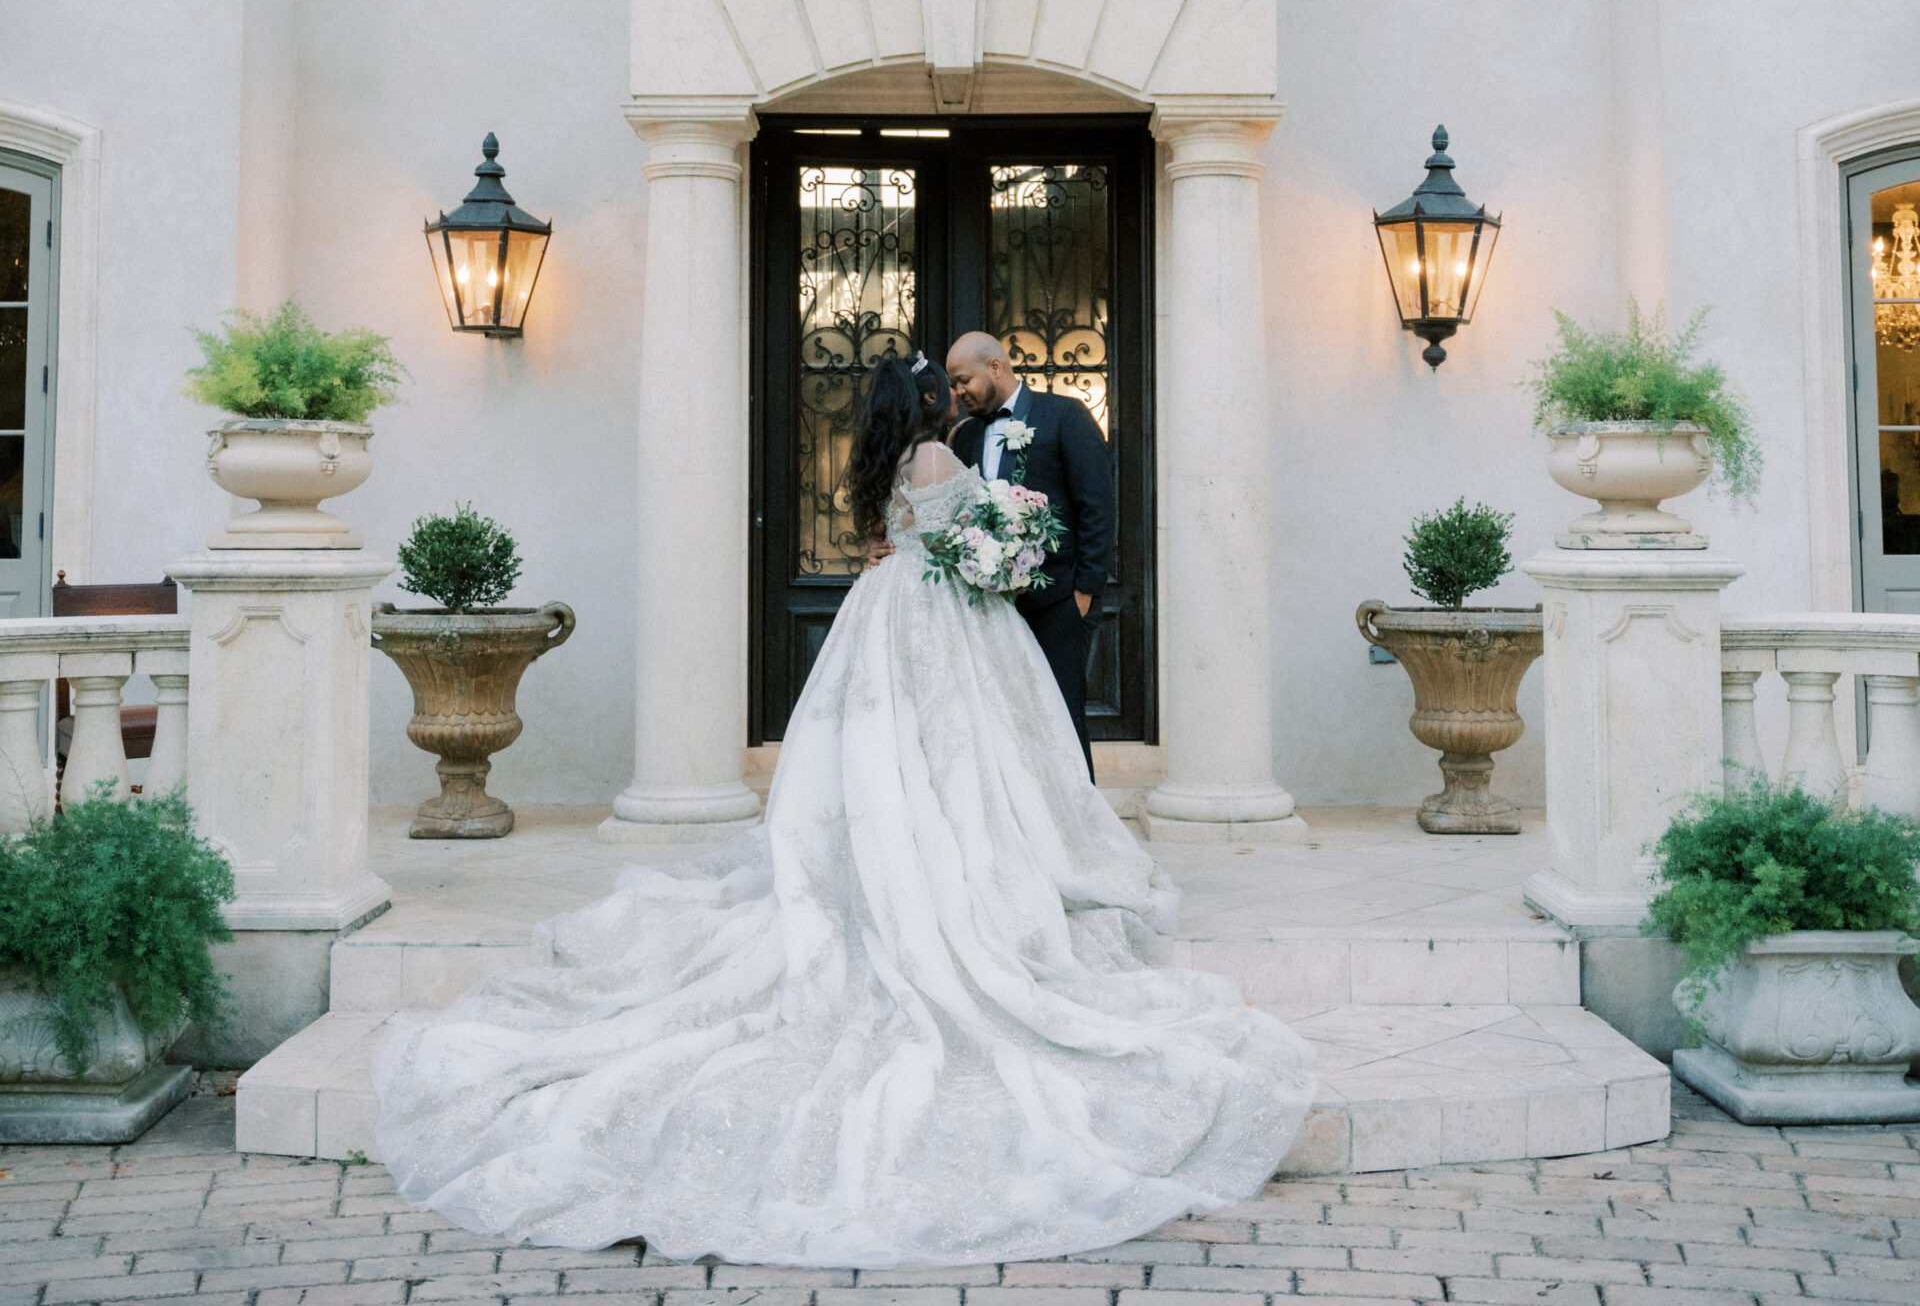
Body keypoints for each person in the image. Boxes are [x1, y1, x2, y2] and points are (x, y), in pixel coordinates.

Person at [373, 352, 1315, 1269]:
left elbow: (892, 541)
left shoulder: (876, 465)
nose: (953, 398)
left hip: (880, 610)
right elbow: (973, 555)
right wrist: (1013, 545)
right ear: (928, 407)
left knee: (882, 757)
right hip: (943, 619)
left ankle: (880, 853)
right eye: (941, 391)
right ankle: (963, 860)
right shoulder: (941, 458)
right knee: (960, 757)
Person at [947, 329, 1113, 777]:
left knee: (1061, 714)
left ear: (995, 367)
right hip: (992, 608)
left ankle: (1082, 826)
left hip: (1058, 601)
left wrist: (1085, 592)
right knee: (1005, 721)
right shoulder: (962, 439)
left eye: (963, 380)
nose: (957, 392)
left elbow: (1097, 505)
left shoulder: (1064, 416)